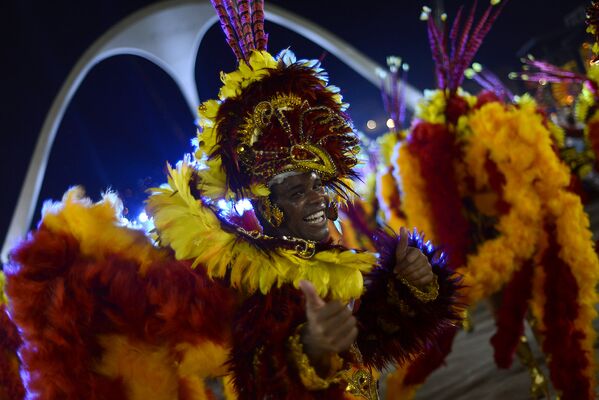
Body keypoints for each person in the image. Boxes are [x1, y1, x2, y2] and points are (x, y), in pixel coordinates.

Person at [4, 1, 461, 399]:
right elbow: (260, 379)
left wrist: (412, 284)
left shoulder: (324, 260)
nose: (319, 199)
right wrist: (313, 351)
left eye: (319, 183)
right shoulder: (254, 283)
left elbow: (374, 339)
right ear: (267, 207)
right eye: (298, 191)